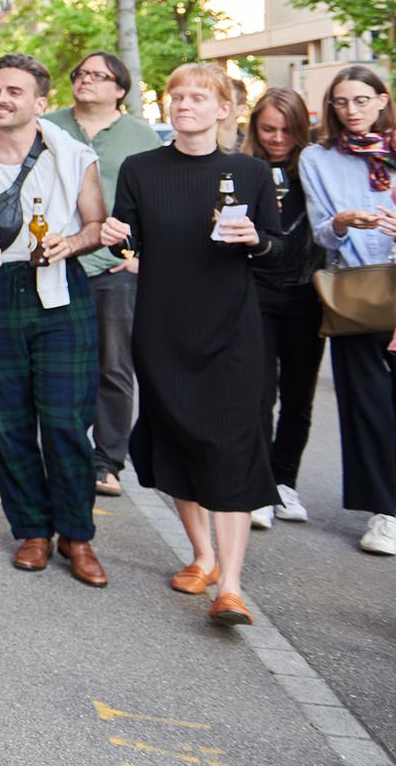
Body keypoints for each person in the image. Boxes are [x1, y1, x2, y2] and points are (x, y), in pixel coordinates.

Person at [101, 64, 282, 626]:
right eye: (176, 96)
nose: (183, 104)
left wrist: (257, 240)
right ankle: (202, 557)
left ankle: (230, 587)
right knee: (177, 436)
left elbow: (278, 250)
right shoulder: (141, 168)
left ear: (224, 109)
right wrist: (114, 235)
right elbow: (127, 239)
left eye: (198, 97)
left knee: (232, 446)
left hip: (232, 330)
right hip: (162, 327)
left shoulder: (250, 172)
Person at [0, 54, 110, 585]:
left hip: (59, 291)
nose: (1, 99)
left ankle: (77, 535)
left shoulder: (74, 156)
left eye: (14, 91)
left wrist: (70, 243)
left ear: (39, 103)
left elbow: (96, 224)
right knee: (7, 424)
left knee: (65, 421)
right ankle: (33, 530)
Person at [43, 52, 164, 498]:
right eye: (81, 73)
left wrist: (140, 258)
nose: (86, 79)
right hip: (57, 261)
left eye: (99, 75)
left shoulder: (141, 135)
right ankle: (66, 454)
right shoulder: (48, 126)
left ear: (120, 89)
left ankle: (107, 461)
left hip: (114, 267)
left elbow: (159, 200)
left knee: (113, 366)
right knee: (61, 365)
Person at [296, 66, 396, 559]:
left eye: (360, 100)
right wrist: (340, 221)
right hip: (356, 291)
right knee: (367, 406)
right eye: (340, 102)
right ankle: (385, 512)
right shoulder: (317, 158)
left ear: (381, 100)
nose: (351, 110)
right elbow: (320, 232)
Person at [243, 88, 323, 528]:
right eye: (268, 129)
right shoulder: (242, 168)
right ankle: (259, 487)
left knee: (298, 393)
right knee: (258, 393)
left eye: (287, 130)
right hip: (257, 289)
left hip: (308, 292)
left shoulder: (315, 167)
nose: (277, 138)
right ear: (255, 128)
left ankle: (284, 482)